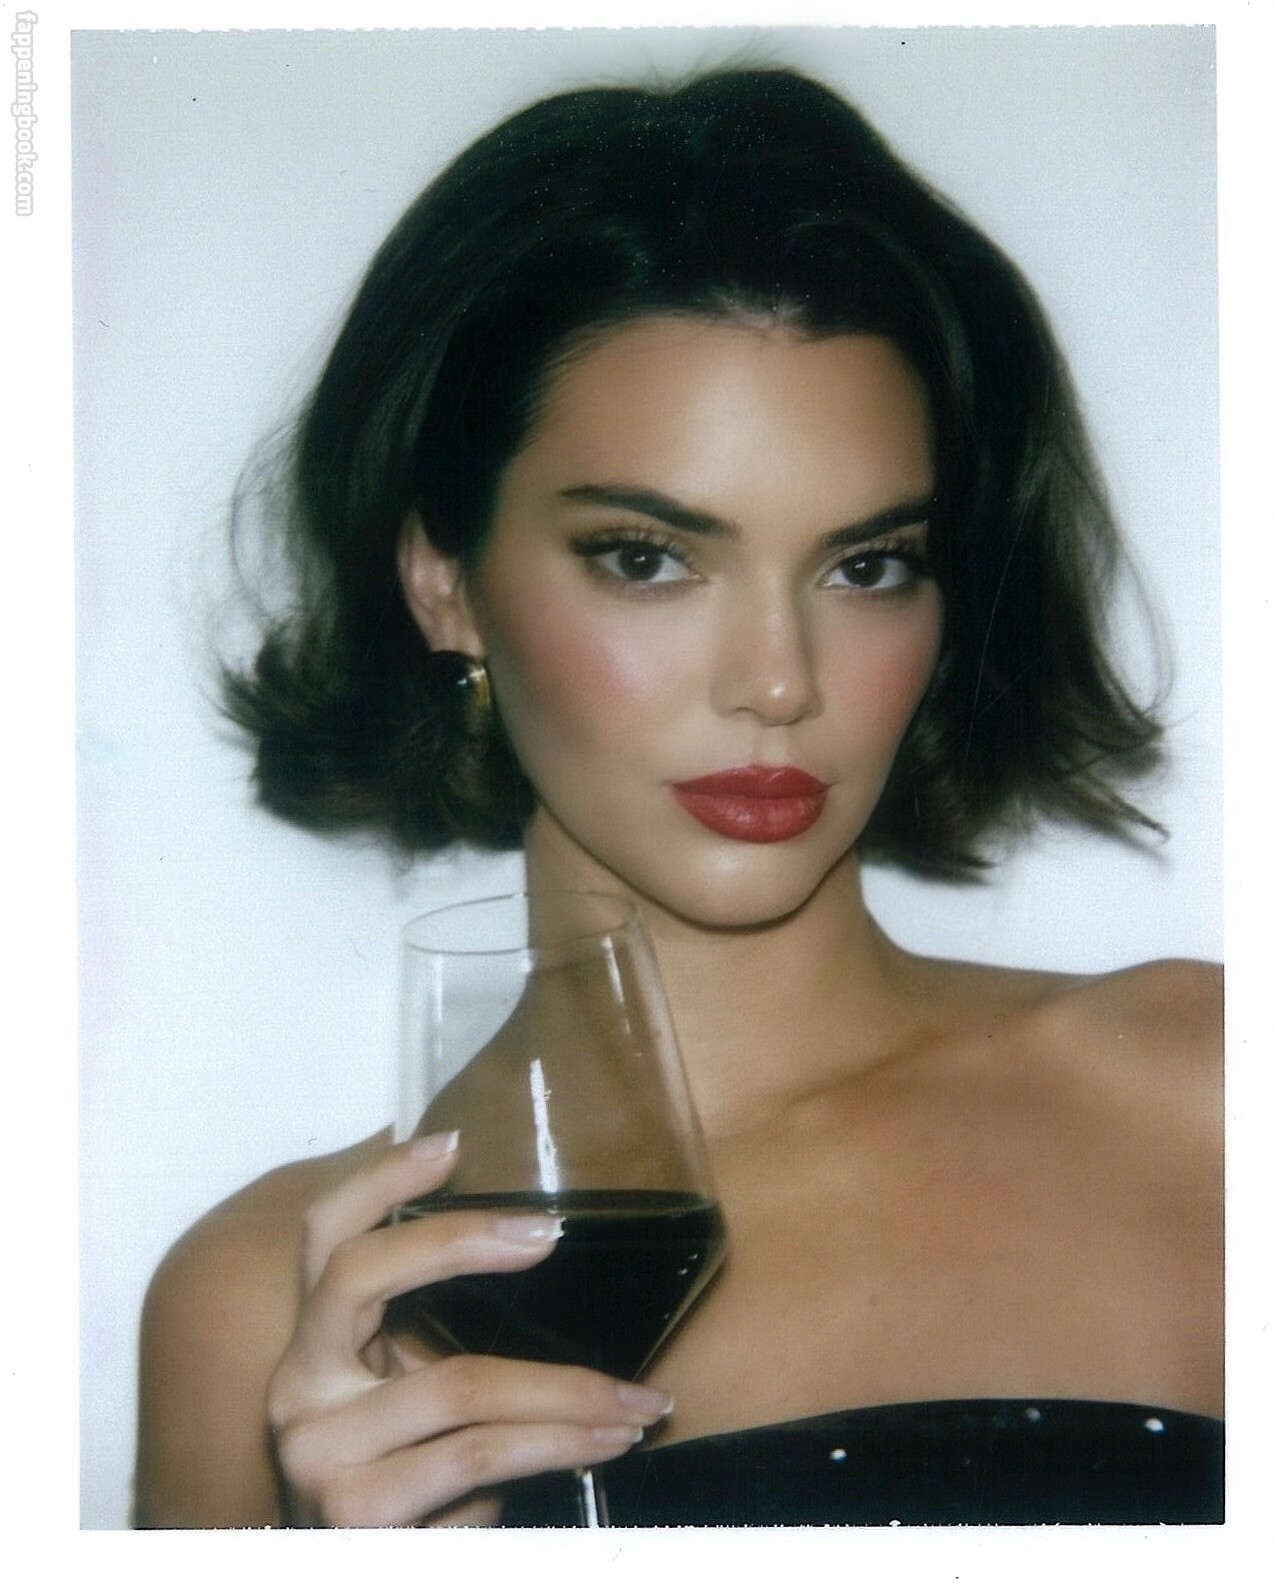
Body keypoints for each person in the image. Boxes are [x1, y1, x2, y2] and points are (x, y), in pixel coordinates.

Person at [133, 65, 1222, 1528]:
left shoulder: (1208, 1094)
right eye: (647, 558)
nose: (777, 681)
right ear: (442, 581)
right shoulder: (269, 1304)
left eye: (867, 566)